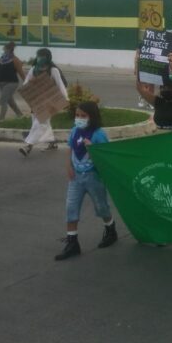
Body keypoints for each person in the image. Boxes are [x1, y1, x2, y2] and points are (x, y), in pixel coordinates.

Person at [55, 101, 117, 261]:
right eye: (77, 115)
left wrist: (93, 149)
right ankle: (72, 242)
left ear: (92, 117)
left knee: (101, 206)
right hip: (76, 177)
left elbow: (106, 156)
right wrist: (68, 164)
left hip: (93, 177)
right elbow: (70, 146)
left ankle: (110, 229)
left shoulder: (98, 134)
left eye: (83, 116)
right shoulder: (75, 130)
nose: (79, 118)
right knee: (71, 207)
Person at [19, 48, 68, 156]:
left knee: (40, 124)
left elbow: (61, 85)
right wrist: (31, 85)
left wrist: (66, 99)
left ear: (48, 57)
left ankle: (28, 146)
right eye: (39, 55)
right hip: (36, 101)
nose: (40, 58)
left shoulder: (53, 70)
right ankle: (52, 143)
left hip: (49, 101)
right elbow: (26, 84)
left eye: (43, 56)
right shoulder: (33, 69)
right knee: (40, 123)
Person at [0, 41, 25, 119]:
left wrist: (27, 82)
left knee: (3, 100)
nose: (4, 50)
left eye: (5, 49)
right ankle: (20, 115)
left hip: (11, 83)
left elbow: (21, 73)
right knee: (10, 101)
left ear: (9, 49)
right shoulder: (2, 59)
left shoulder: (15, 60)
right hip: (1, 83)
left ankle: (1, 120)